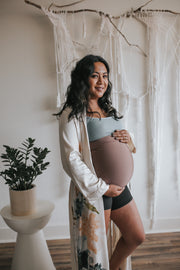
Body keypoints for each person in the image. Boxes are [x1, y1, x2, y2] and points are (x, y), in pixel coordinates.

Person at [57, 54, 145, 270]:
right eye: (94, 76)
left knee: (136, 236)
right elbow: (71, 158)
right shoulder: (72, 114)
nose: (101, 81)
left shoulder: (109, 108)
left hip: (119, 188)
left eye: (105, 76)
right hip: (96, 191)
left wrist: (129, 139)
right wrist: (102, 188)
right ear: (82, 78)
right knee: (97, 249)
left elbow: (121, 141)